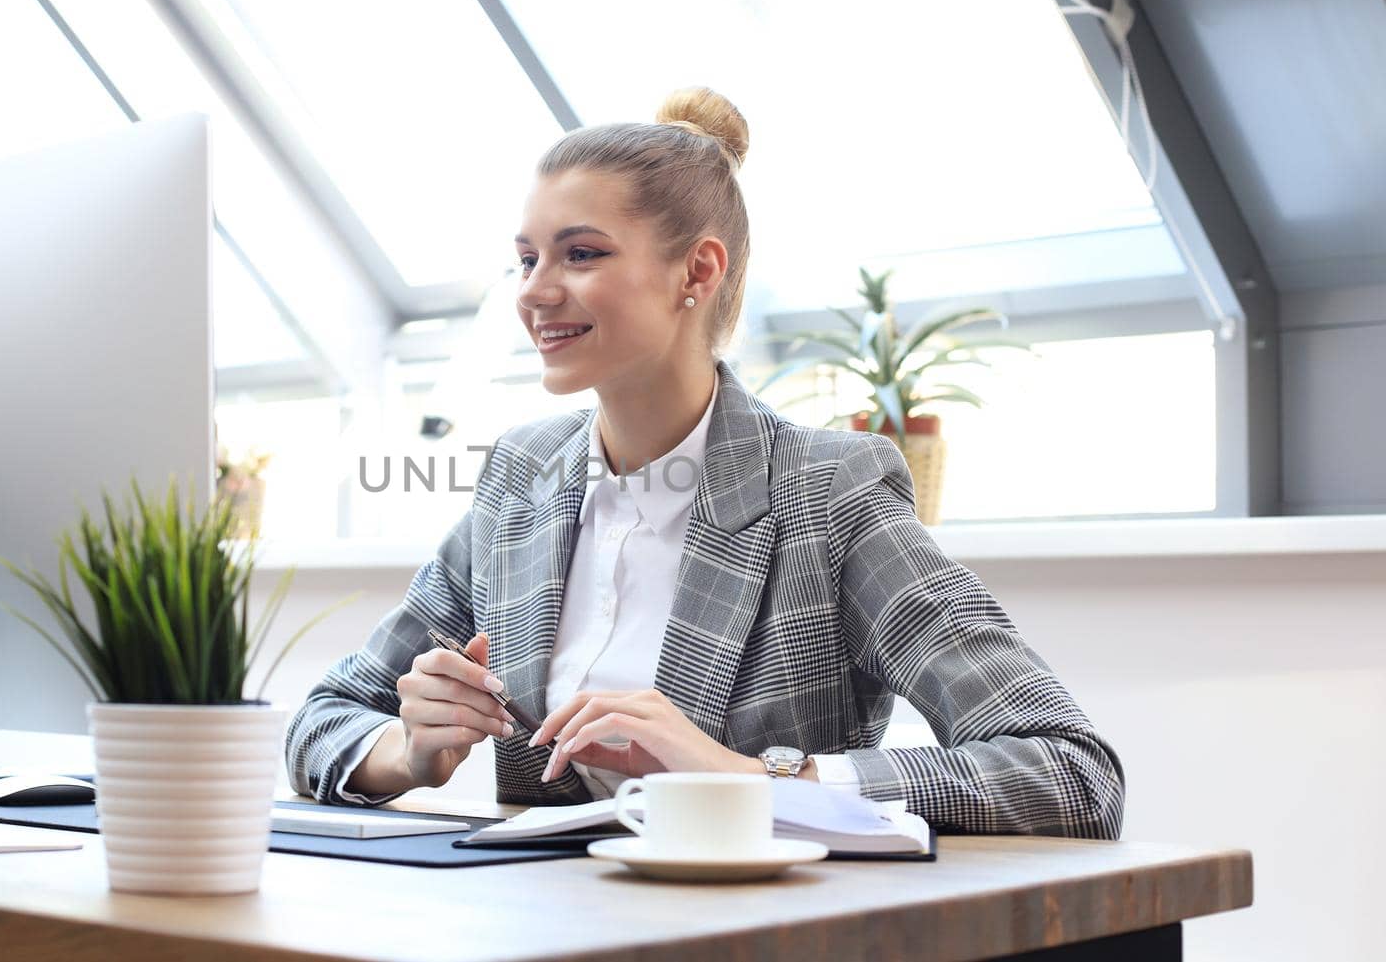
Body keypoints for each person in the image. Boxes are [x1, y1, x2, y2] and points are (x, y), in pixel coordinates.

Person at [286, 87, 1124, 838]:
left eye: (581, 254)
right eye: (527, 257)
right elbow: (320, 719)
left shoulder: (828, 496)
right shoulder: (523, 479)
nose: (535, 291)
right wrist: (410, 749)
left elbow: (1072, 769)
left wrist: (756, 779)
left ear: (698, 270)